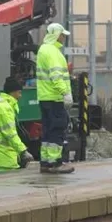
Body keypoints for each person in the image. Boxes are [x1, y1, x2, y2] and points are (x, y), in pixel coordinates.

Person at [35, 22, 75, 174]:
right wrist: (65, 92)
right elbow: (56, 75)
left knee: (47, 130)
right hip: (54, 97)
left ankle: (45, 162)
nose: (63, 38)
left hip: (45, 97)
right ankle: (55, 163)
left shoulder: (43, 50)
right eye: (62, 35)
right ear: (56, 35)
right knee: (57, 128)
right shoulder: (52, 52)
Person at [0, 76, 33, 172]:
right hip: (2, 157)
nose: (20, 96)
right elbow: (10, 134)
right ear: (13, 92)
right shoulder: (4, 108)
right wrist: (23, 151)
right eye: (19, 92)